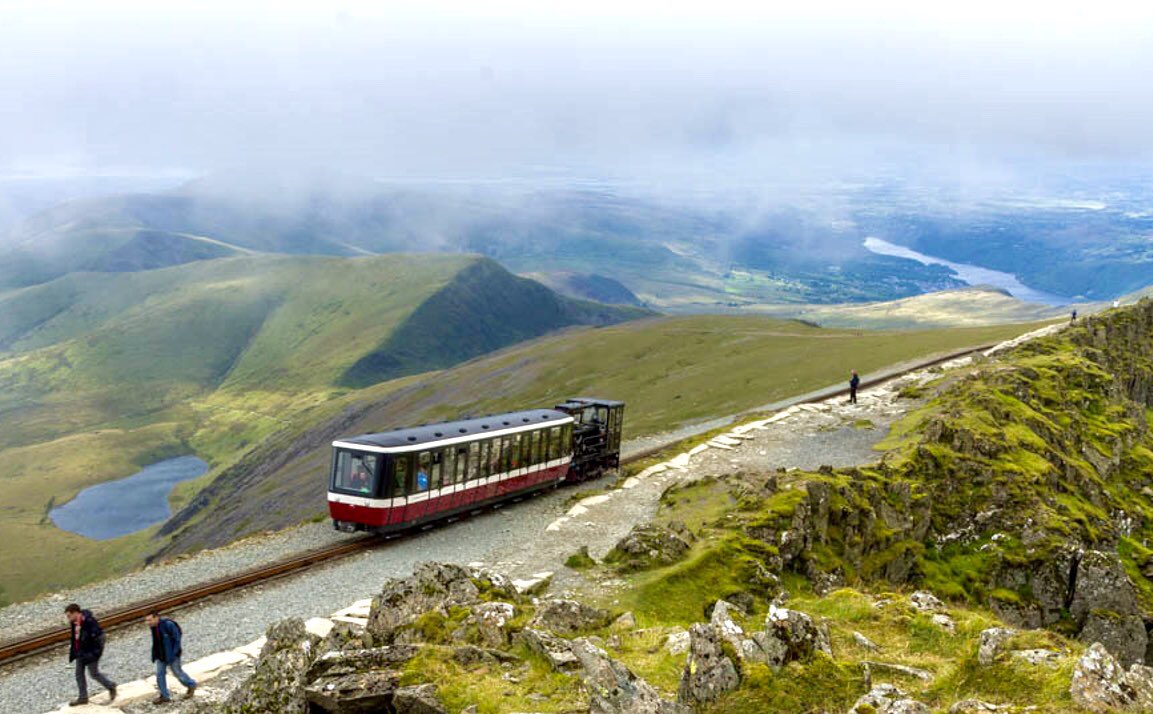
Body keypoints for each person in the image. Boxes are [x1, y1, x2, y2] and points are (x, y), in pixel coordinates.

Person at [65, 603, 117, 706]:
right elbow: (75, 637)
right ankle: (83, 697)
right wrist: (75, 651)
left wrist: (94, 654)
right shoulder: (74, 622)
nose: (68, 619)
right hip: (81, 652)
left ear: (75, 613)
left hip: (90, 652)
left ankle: (111, 686)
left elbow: (99, 638)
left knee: (93, 673)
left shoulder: (89, 622)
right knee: (79, 674)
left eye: (69, 616)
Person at [147, 610, 197, 703]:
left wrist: (174, 653)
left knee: (178, 673)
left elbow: (177, 638)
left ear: (156, 617)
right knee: (159, 675)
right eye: (147, 620)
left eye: (149, 620)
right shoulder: (153, 627)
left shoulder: (168, 624)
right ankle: (164, 696)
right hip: (161, 656)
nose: (148, 623)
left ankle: (191, 684)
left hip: (172, 655)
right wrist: (155, 655)